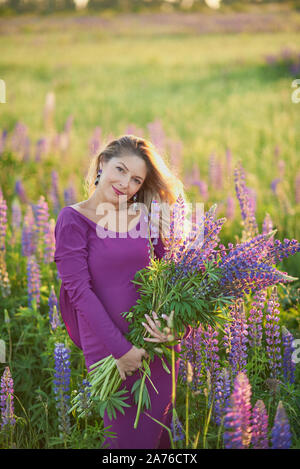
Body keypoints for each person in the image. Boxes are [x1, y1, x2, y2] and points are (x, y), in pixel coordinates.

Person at [54, 134, 192, 449]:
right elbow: (80, 292)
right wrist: (121, 351)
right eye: (120, 170)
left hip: (155, 345)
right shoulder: (73, 220)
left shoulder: (146, 216)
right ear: (102, 163)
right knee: (124, 441)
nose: (124, 183)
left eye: (136, 179)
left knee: (159, 438)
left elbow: (170, 277)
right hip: (110, 350)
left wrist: (174, 329)